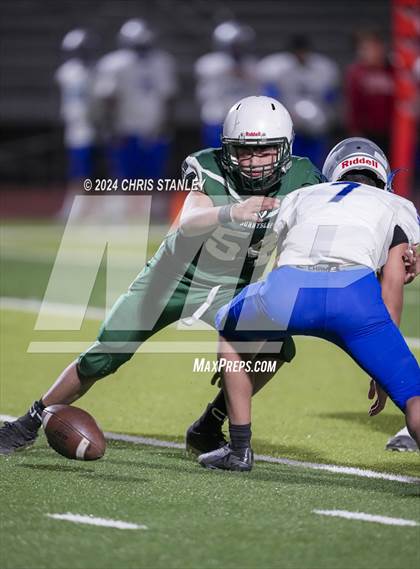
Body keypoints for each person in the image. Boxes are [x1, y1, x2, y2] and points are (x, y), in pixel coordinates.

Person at [0, 96, 323, 456]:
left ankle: (209, 423)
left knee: (276, 347)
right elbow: (188, 220)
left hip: (234, 287)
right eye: (243, 151)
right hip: (172, 279)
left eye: (264, 151)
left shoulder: (303, 177)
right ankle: (29, 420)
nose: (253, 161)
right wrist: (232, 211)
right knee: (105, 354)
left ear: (285, 148)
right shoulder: (209, 167)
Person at [198, 137, 420, 471]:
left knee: (229, 329)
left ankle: (239, 449)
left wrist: (242, 352)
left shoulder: (302, 196)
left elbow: (280, 264)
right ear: (382, 178)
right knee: (414, 395)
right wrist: (383, 368)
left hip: (288, 292)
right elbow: (392, 287)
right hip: (354, 298)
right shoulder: (397, 204)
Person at [92, 18, 177, 182]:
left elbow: (168, 98)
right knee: (126, 178)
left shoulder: (162, 62)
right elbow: (108, 99)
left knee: (153, 179)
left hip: (152, 129)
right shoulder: (114, 64)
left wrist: (166, 125)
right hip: (126, 130)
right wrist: (110, 127)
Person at [258, 35, 339, 167]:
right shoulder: (277, 67)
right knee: (291, 160)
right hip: (290, 119)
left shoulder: (323, 67)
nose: (301, 55)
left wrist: (326, 115)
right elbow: (270, 95)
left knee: (315, 161)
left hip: (315, 122)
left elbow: (330, 96)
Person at [195, 21, 259, 148]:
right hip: (217, 118)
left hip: (244, 121)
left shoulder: (250, 64)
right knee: (215, 155)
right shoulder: (210, 63)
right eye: (236, 45)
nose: (239, 49)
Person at [55, 29, 97, 219]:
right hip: (76, 127)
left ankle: (86, 208)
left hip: (95, 126)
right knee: (78, 169)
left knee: (95, 171)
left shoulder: (98, 71)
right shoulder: (66, 72)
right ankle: (75, 206)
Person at [345, 31, 394, 156]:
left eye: (372, 48)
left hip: (392, 131)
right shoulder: (356, 73)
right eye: (363, 49)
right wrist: (354, 130)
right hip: (367, 132)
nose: (367, 53)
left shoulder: (394, 70)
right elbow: (353, 105)